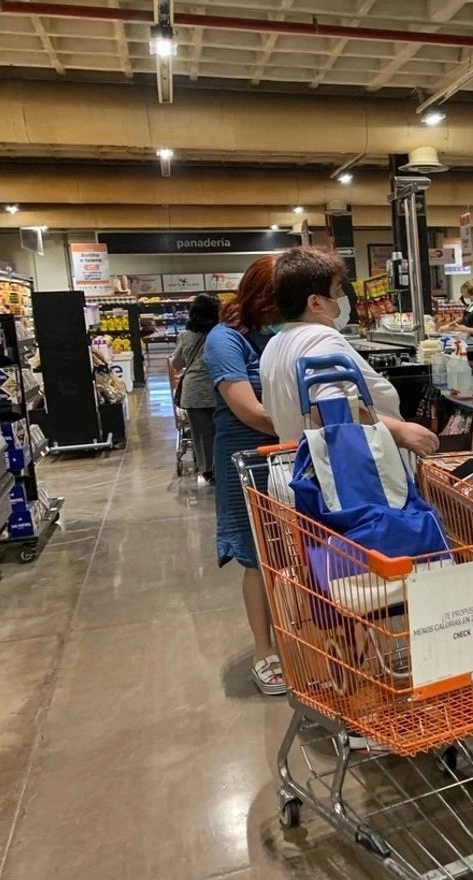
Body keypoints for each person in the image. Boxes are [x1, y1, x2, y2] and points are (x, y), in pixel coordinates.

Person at [261, 245, 440, 454]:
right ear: (316, 303)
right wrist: (401, 431)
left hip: (298, 470)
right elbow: (328, 409)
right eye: (337, 291)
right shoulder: (320, 339)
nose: (342, 299)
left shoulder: (275, 344)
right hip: (340, 476)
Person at [202, 258, 285, 696]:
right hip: (247, 460)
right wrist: (313, 422)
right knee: (257, 555)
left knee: (294, 550)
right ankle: (262, 649)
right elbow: (249, 410)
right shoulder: (224, 340)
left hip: (291, 454)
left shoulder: (282, 333)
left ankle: (296, 637)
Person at [169, 292, 219, 486]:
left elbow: (177, 364)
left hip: (193, 391)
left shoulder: (185, 335)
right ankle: (222, 466)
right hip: (218, 388)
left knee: (200, 434)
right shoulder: (221, 333)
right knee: (220, 430)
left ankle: (207, 471)